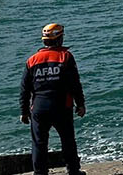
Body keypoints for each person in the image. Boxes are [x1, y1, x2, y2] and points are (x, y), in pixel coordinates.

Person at [21, 23, 86, 175]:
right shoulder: (65, 57)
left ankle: (40, 173)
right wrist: (80, 104)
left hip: (39, 108)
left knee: (39, 143)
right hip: (62, 107)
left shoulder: (32, 60)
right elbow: (75, 84)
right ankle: (74, 171)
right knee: (68, 141)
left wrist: (23, 112)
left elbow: (25, 89)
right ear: (59, 39)